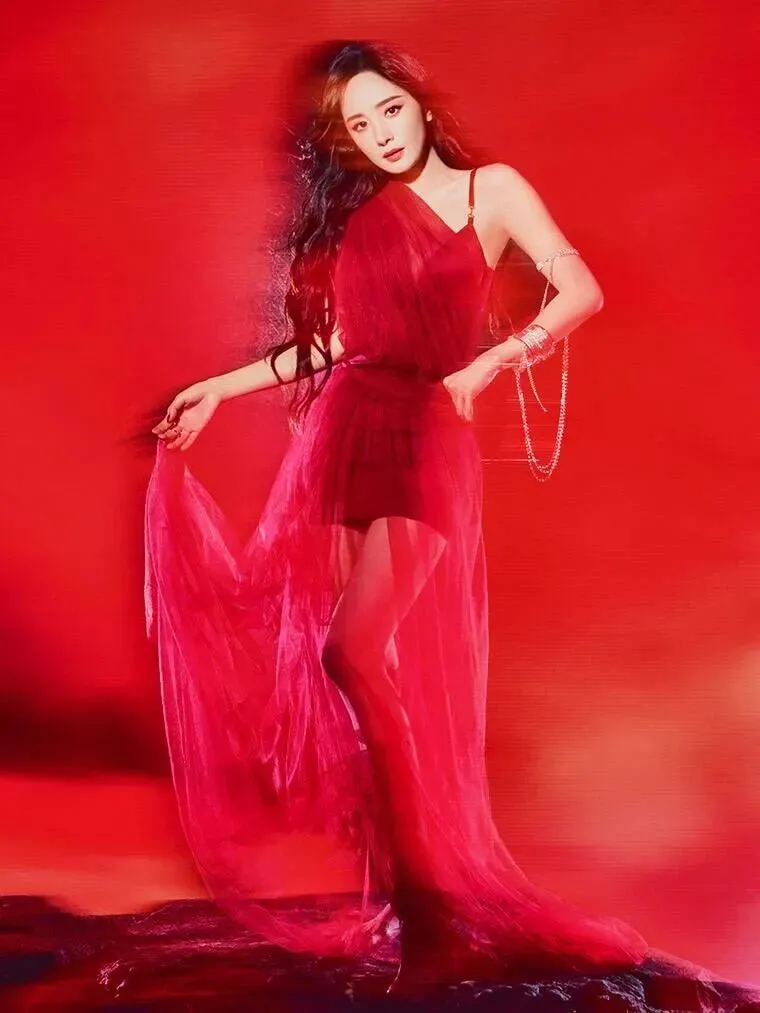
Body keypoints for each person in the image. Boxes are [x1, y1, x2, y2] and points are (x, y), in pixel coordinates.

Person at [143, 41, 756, 999]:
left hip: (428, 433)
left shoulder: (490, 191)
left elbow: (581, 289)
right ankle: (423, 892)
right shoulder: (362, 217)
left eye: (389, 110)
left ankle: (439, 910)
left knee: (353, 651)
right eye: (358, 126)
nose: (380, 135)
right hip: (348, 428)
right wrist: (217, 388)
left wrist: (491, 362)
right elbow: (338, 341)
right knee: (355, 664)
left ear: (419, 103)